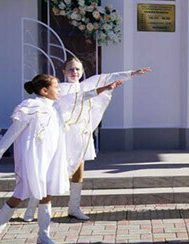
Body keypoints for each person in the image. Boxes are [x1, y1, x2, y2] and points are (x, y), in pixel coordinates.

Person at [21, 58, 150, 222]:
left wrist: (132, 73)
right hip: (62, 135)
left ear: (82, 71)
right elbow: (78, 98)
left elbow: (108, 76)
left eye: (77, 70)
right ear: (64, 72)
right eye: (70, 70)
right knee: (50, 173)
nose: (74, 73)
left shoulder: (87, 84)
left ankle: (74, 208)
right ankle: (31, 210)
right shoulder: (59, 88)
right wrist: (105, 88)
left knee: (78, 173)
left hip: (81, 134)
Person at [0, 75, 70, 244]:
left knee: (47, 194)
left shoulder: (56, 108)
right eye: (56, 87)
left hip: (51, 158)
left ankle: (44, 236)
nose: (59, 90)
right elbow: (13, 133)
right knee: (19, 196)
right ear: (45, 90)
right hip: (33, 158)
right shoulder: (29, 107)